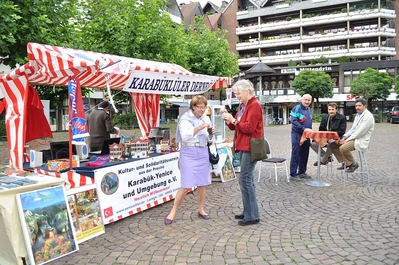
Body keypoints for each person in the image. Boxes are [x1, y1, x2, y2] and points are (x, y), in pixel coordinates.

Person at [165, 95, 215, 225]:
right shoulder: (185, 119)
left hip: (203, 151)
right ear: (193, 107)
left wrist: (210, 134)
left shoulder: (206, 118)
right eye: (200, 107)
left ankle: (201, 209)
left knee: (202, 183)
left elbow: (209, 139)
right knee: (186, 185)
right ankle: (173, 211)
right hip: (189, 152)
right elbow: (186, 137)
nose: (202, 110)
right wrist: (199, 127)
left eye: (204, 107)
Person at [221, 80, 263, 226]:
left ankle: (252, 215)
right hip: (244, 146)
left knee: (245, 179)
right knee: (246, 180)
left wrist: (233, 120)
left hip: (250, 146)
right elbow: (237, 126)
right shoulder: (244, 106)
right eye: (235, 94)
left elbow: (249, 128)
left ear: (247, 91)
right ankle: (249, 212)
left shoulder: (254, 105)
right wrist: (228, 119)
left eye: (238, 93)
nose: (237, 96)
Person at [330, 98, 374, 173]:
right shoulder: (358, 115)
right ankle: (345, 162)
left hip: (361, 139)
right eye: (356, 106)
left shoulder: (368, 116)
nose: (357, 107)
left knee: (343, 148)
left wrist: (346, 140)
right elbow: (353, 129)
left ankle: (353, 163)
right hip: (354, 138)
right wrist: (345, 136)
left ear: (365, 106)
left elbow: (360, 132)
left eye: (359, 105)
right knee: (333, 144)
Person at [290, 94, 313, 181]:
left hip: (307, 135)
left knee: (305, 154)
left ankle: (302, 172)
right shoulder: (296, 108)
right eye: (305, 100)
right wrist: (304, 129)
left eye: (309, 100)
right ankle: (293, 174)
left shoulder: (309, 109)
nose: (307, 102)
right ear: (302, 100)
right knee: (296, 154)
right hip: (297, 134)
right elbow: (294, 121)